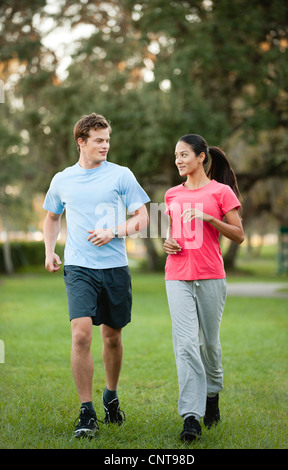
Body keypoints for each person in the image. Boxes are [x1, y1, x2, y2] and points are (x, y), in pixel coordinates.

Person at [43, 113, 150, 438]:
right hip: (79, 267)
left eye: (107, 140)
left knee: (112, 338)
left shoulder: (121, 175)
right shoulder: (63, 179)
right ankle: (86, 411)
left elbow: (144, 218)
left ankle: (110, 396)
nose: (105, 145)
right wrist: (49, 250)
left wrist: (114, 232)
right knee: (81, 335)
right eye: (99, 140)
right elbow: (51, 218)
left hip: (115, 269)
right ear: (81, 142)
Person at [163, 134, 244, 441]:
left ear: (201, 157)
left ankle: (212, 396)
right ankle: (191, 416)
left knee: (208, 344)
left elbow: (238, 235)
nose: (178, 160)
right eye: (175, 156)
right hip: (177, 275)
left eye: (184, 154)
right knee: (185, 345)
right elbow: (172, 234)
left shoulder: (221, 192)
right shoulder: (171, 195)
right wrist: (167, 243)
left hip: (211, 275)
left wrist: (210, 217)